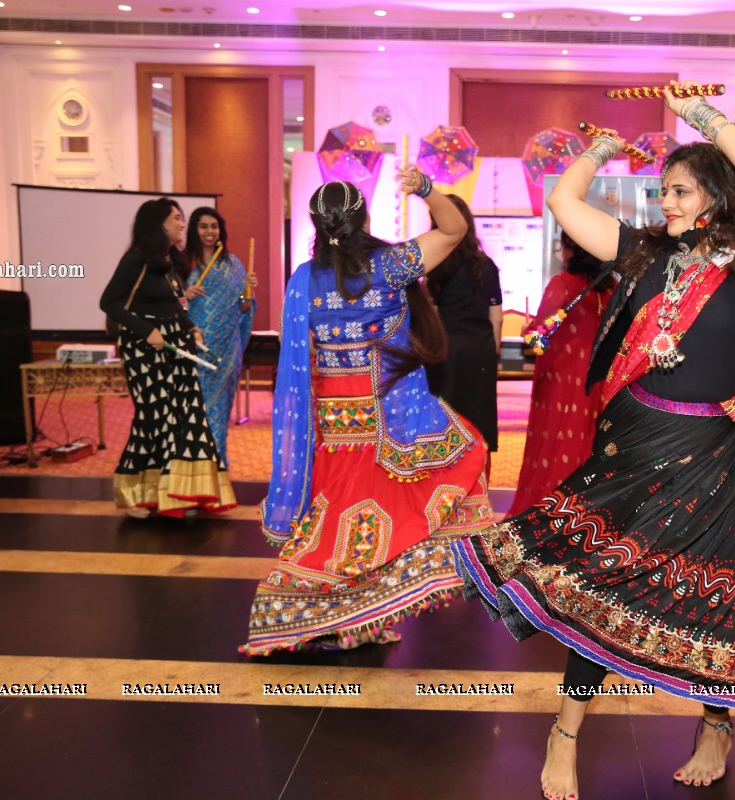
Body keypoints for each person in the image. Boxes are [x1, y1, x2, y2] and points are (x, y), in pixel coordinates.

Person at [452, 82, 735, 800]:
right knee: (599, 585)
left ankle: (716, 726)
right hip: (637, 449)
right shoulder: (647, 256)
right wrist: (598, 148)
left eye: (681, 190)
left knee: (716, 598)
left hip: (722, 459)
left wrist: (703, 119)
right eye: (663, 191)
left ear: (716, 196)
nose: (667, 202)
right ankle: (565, 731)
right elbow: (565, 204)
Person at [241, 169, 495, 656]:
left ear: (315, 223)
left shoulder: (304, 279)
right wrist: (424, 188)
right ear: (363, 218)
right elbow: (453, 230)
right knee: (431, 478)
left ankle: (354, 619)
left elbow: (301, 355)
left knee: (338, 512)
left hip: (335, 415)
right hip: (390, 412)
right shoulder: (390, 264)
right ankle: (321, 610)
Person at [100, 198, 236, 519]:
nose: (181, 224)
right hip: (144, 348)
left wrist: (191, 329)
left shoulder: (169, 262)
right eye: (176, 218)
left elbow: (175, 306)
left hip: (176, 346)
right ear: (158, 224)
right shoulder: (135, 261)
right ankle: (135, 495)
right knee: (154, 417)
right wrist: (145, 330)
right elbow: (109, 302)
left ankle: (181, 494)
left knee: (185, 417)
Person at [508, 232, 617, 516]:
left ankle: (545, 515)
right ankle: (584, 515)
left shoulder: (563, 284)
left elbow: (537, 338)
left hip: (563, 379)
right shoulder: (612, 287)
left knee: (554, 444)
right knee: (588, 443)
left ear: (570, 250)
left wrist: (528, 330)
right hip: (599, 379)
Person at [426, 195, 503, 471]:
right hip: (480, 350)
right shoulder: (487, 265)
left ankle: (447, 480)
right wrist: (491, 353)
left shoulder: (437, 265)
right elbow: (496, 318)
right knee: (479, 420)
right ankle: (480, 482)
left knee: (446, 419)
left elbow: (432, 315)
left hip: (448, 350)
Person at [181, 207, 256, 468]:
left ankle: (216, 469)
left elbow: (243, 308)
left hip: (225, 352)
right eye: (203, 226)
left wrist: (248, 293)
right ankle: (193, 476)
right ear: (194, 230)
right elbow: (168, 306)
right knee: (195, 414)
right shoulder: (183, 264)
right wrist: (184, 296)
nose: (209, 231)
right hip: (194, 350)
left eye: (214, 226)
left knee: (220, 415)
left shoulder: (233, 265)